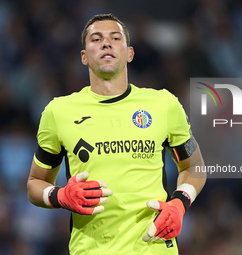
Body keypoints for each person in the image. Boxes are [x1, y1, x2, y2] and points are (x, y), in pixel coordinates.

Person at [27, 13, 206, 255]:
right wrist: (60, 195)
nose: (106, 43)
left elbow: (194, 167)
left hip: (153, 248)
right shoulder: (58, 112)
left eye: (115, 38)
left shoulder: (164, 104)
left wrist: (179, 203)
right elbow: (35, 184)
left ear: (129, 53)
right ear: (84, 57)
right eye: (96, 39)